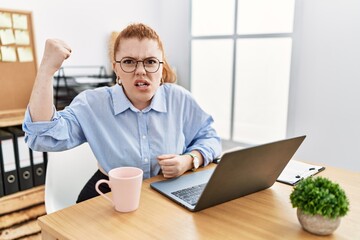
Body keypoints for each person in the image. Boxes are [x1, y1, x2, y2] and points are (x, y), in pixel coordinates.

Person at [23, 23, 222, 203]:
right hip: (109, 193)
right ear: (116, 67)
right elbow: (41, 137)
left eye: (151, 61)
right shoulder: (92, 103)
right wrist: (46, 70)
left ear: (161, 68)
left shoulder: (180, 99)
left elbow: (210, 137)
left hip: (165, 192)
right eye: (129, 62)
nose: (141, 71)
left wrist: (189, 160)